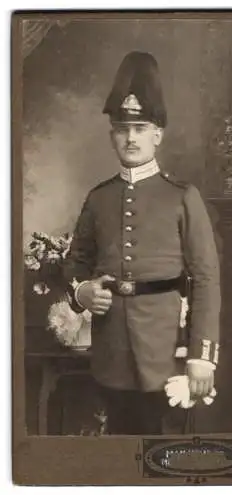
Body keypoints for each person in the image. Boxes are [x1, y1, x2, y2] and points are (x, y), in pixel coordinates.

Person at [64, 51, 221, 435]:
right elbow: (76, 262)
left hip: (166, 351)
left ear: (158, 134)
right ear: (112, 135)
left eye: (140, 127)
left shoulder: (183, 197)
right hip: (111, 352)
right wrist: (82, 292)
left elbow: (205, 280)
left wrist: (203, 356)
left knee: (162, 451)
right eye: (122, 128)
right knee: (118, 444)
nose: (131, 137)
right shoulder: (98, 198)